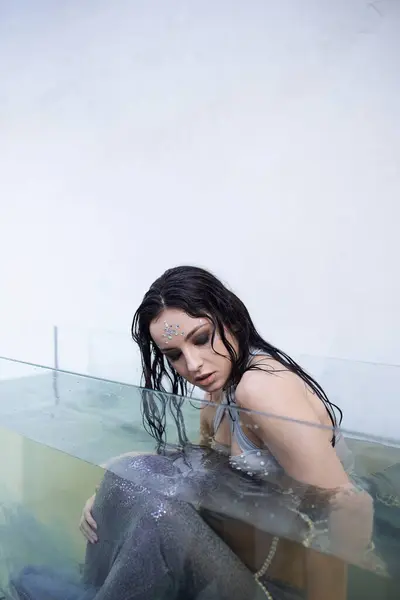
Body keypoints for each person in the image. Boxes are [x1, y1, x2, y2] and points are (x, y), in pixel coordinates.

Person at [77, 265, 375, 600]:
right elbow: (205, 468)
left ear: (230, 319)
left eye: (202, 339)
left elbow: (350, 505)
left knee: (156, 519)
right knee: (126, 477)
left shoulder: (260, 389)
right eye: (174, 355)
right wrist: (116, 498)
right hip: (240, 560)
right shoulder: (217, 393)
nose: (193, 365)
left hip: (281, 588)